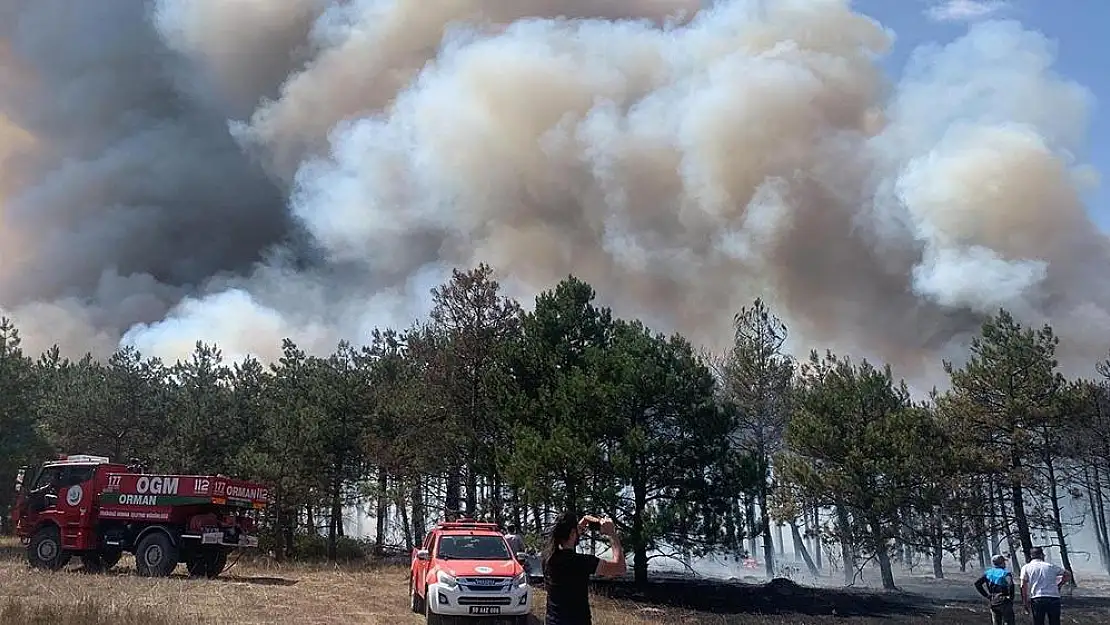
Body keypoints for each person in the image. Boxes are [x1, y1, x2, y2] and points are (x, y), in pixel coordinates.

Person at [543, 512, 626, 625]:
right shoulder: (581, 562)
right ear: (572, 533)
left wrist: (579, 527)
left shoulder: (547, 559)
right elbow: (619, 568)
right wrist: (611, 533)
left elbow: (568, 541)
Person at [1019, 546, 1071, 625]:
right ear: (1041, 555)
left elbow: (1023, 586)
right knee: (1055, 622)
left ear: (1031, 556)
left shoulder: (1026, 567)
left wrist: (1025, 602)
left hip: (1037, 598)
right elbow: (1067, 574)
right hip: (1053, 597)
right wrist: (1060, 585)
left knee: (1038, 622)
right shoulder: (1050, 566)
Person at [974, 554, 1015, 625]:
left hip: (993, 601)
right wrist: (1011, 597)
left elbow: (977, 584)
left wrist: (986, 595)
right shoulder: (1005, 573)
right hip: (1004, 600)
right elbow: (1011, 584)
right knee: (1009, 622)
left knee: (996, 622)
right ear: (1002, 563)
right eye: (1004, 562)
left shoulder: (988, 573)